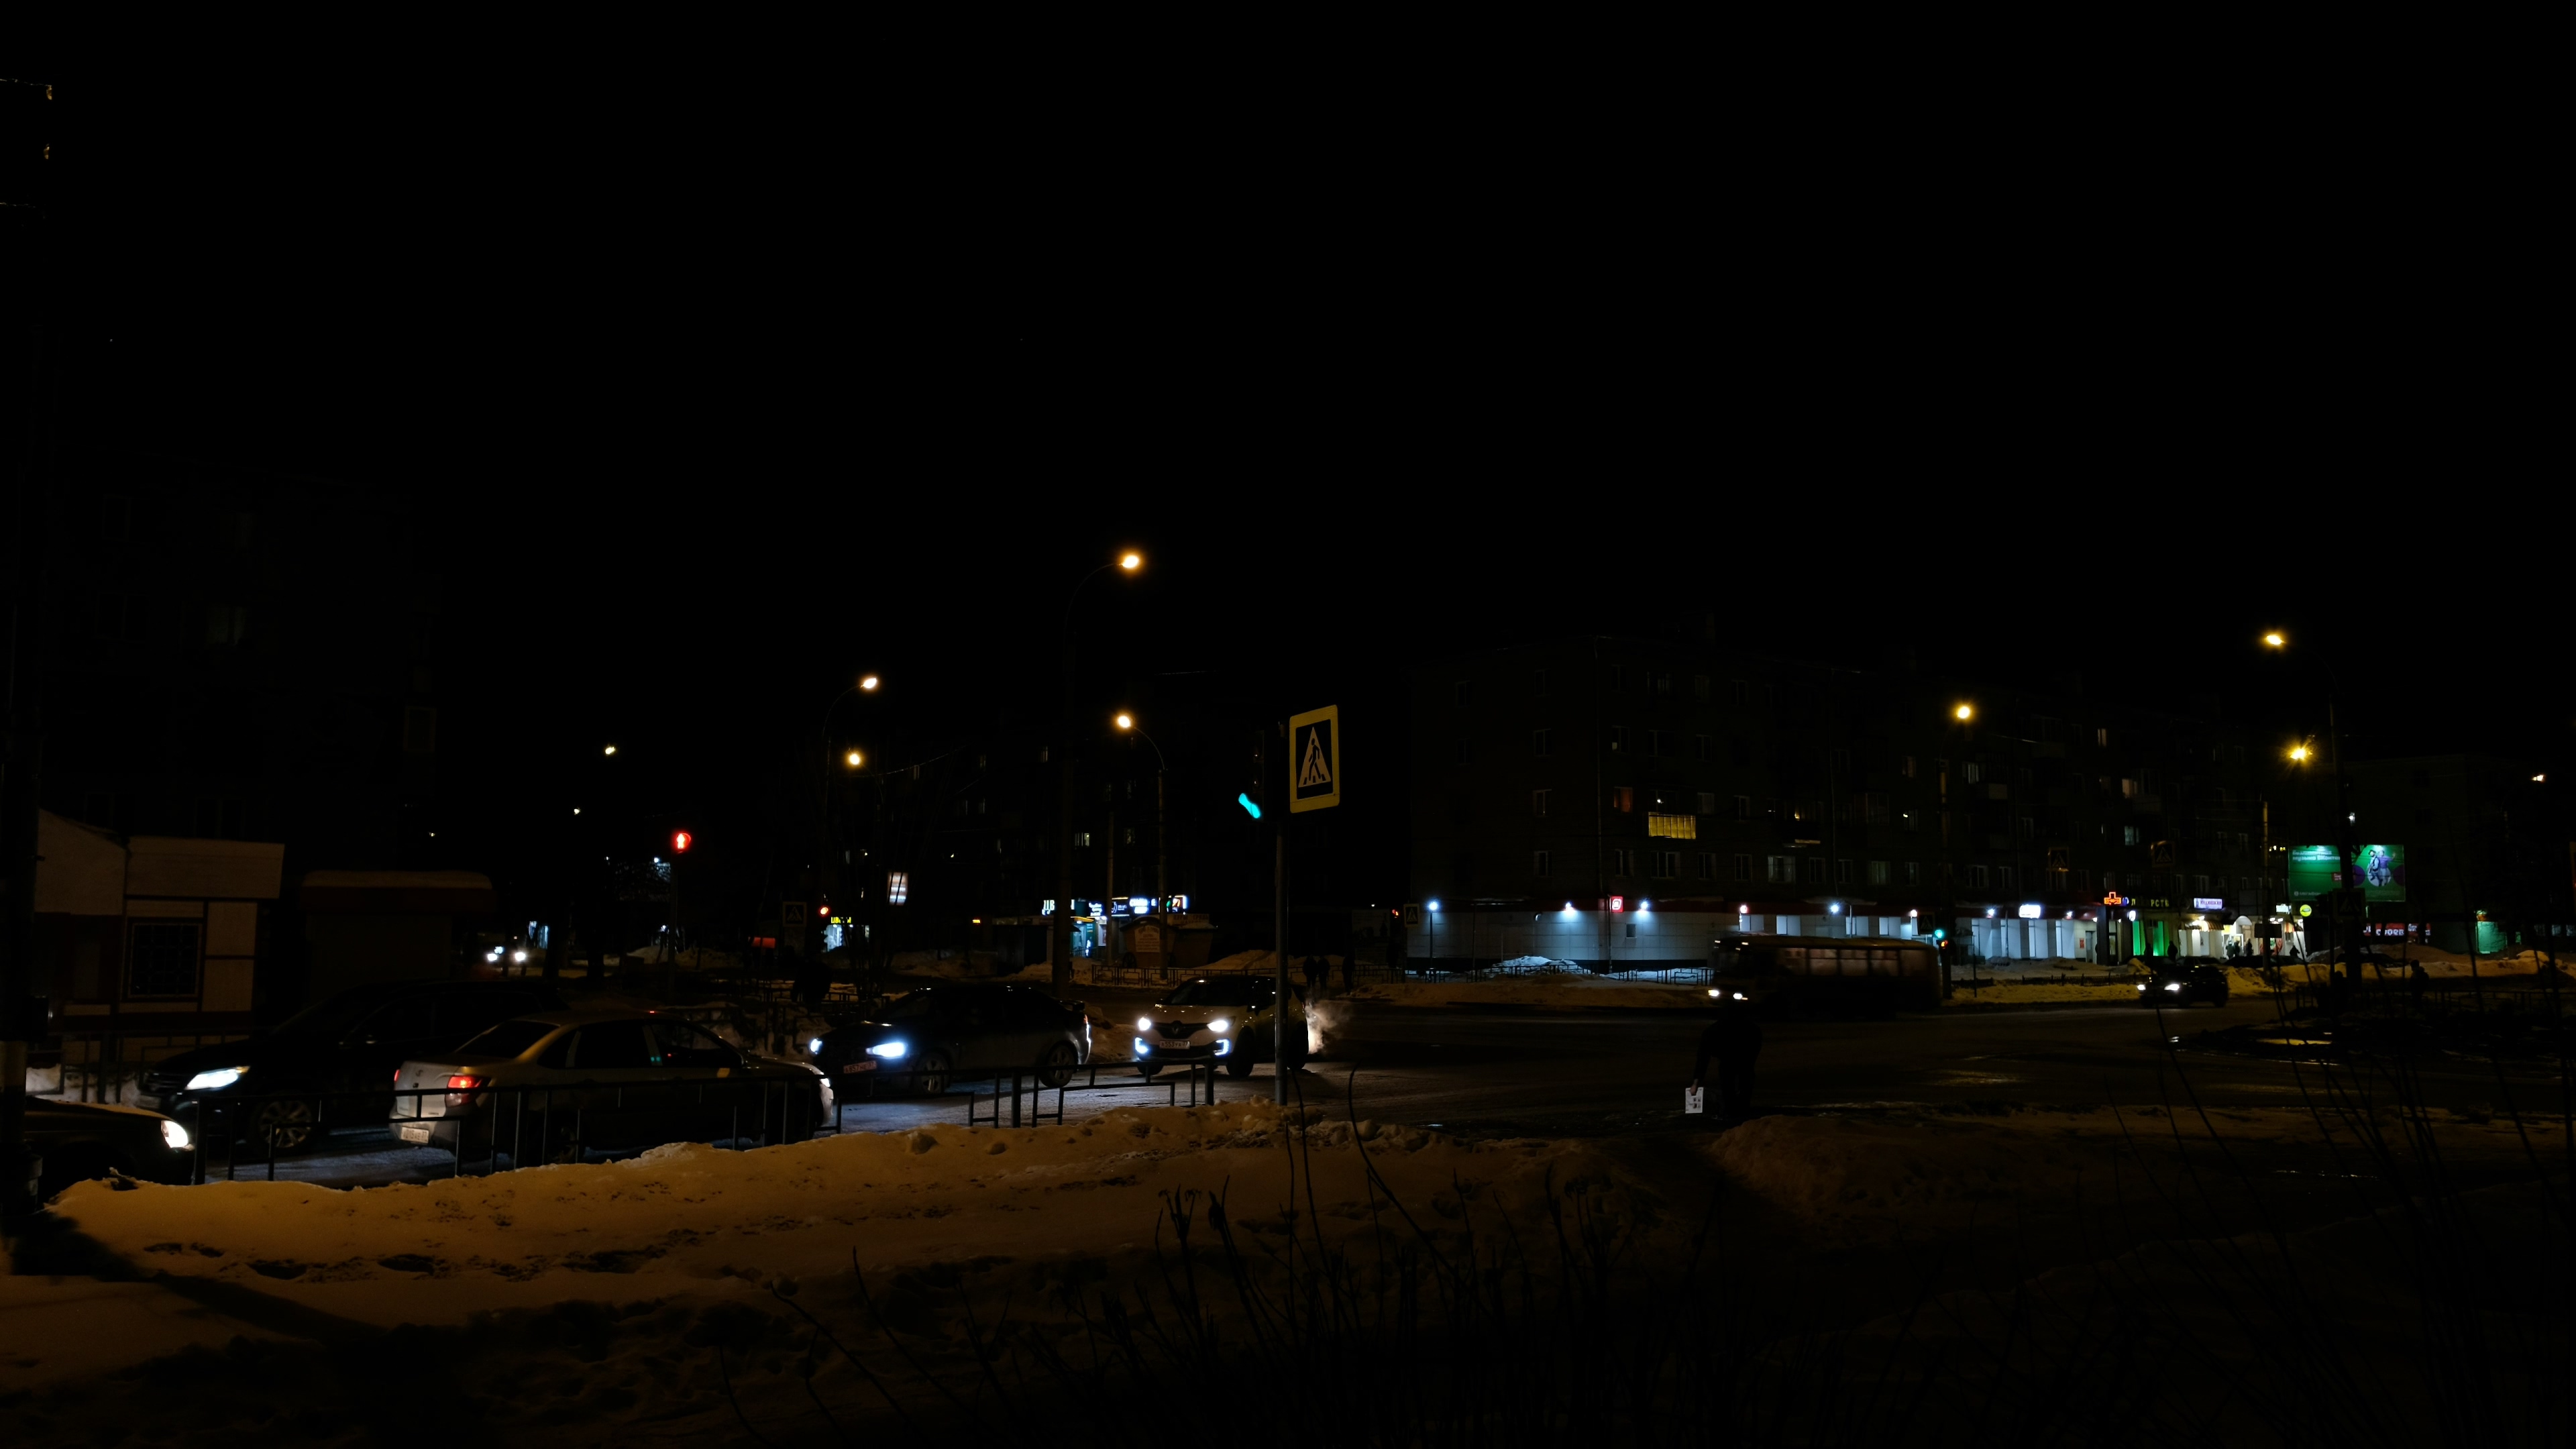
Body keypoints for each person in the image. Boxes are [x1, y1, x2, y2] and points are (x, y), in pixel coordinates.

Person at [1691, 995, 1764, 1120]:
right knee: (1744, 1085)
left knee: (1728, 1085)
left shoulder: (1713, 1031)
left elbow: (1703, 1057)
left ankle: (1732, 1112)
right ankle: (1741, 1111)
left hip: (1730, 1060)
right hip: (1744, 1059)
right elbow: (1756, 1047)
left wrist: (1696, 1082)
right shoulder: (1751, 1029)